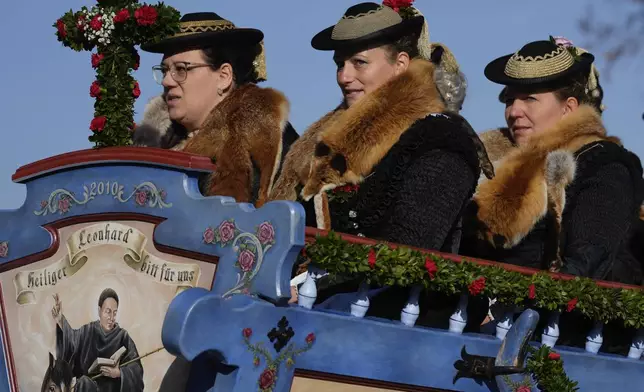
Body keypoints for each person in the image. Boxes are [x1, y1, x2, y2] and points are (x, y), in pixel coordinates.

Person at [270, 1, 493, 327]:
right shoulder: (331, 141)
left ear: (401, 64)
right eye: (339, 64)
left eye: (359, 63)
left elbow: (409, 250)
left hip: (394, 318)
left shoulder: (441, 138)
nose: (344, 77)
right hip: (323, 301)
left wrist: (308, 284)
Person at [460, 37, 644, 353]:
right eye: (509, 100)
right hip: (483, 332)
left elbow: (587, 261)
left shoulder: (603, 163)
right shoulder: (493, 164)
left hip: (563, 347)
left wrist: (510, 313)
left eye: (529, 99)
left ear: (568, 108)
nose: (514, 111)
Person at [133, 12, 299, 207]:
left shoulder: (266, 136)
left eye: (181, 69)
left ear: (224, 76)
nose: (167, 81)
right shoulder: (153, 147)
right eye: (164, 70)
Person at [52, 289, 144, 391]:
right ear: (99, 311)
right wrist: (60, 320)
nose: (111, 317)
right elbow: (72, 341)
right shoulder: (88, 331)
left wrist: (119, 373)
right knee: (84, 382)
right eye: (108, 312)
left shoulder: (123, 337)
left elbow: (136, 369)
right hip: (87, 389)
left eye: (114, 313)